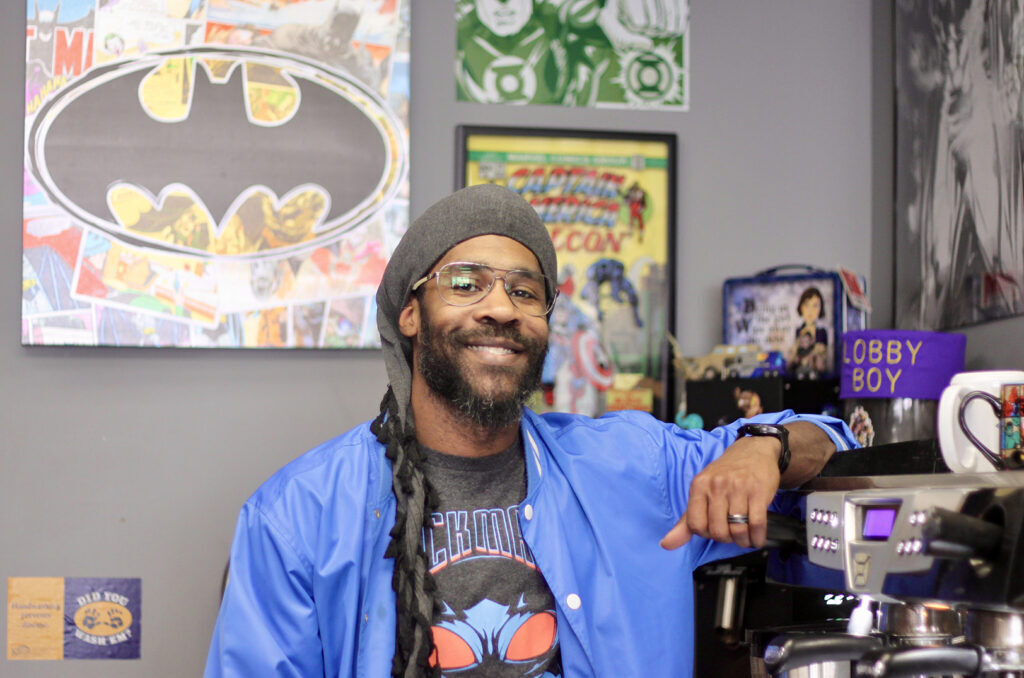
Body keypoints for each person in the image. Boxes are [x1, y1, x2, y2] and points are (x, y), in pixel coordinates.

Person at [204, 184, 856, 678]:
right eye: (466, 283)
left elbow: (840, 447)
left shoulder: (633, 467)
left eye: (524, 291)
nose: (500, 308)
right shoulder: (298, 518)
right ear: (409, 313)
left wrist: (764, 445)